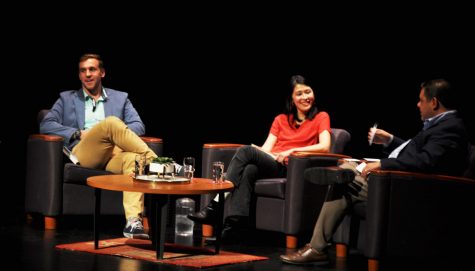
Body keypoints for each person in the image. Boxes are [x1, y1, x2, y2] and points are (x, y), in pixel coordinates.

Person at [280, 78, 471, 264]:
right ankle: (342, 176)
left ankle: (317, 243)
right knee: (345, 174)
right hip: (395, 181)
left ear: (434, 102)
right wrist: (390, 140)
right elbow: (417, 151)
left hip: (409, 189)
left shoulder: (449, 128)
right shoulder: (441, 125)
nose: (418, 105)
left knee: (344, 179)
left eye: (421, 100)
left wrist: (383, 164)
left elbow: (425, 161)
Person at [188, 75, 333, 240]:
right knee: (249, 169)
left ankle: (215, 206)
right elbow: (266, 149)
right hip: (274, 163)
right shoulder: (280, 120)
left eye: (308, 92)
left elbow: (325, 146)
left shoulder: (321, 117)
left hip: (292, 167)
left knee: (245, 151)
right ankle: (235, 226)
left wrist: (291, 151)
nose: (305, 97)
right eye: (299, 94)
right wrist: (260, 151)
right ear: (292, 99)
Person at [40, 53, 157, 239]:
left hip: (112, 157)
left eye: (92, 69)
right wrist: (77, 133)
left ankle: (133, 223)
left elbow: (138, 125)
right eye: (83, 71)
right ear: (79, 75)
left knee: (136, 159)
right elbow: (46, 124)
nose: (87, 74)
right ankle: (160, 164)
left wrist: (116, 138)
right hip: (84, 154)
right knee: (110, 122)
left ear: (102, 73)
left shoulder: (120, 98)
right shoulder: (66, 99)